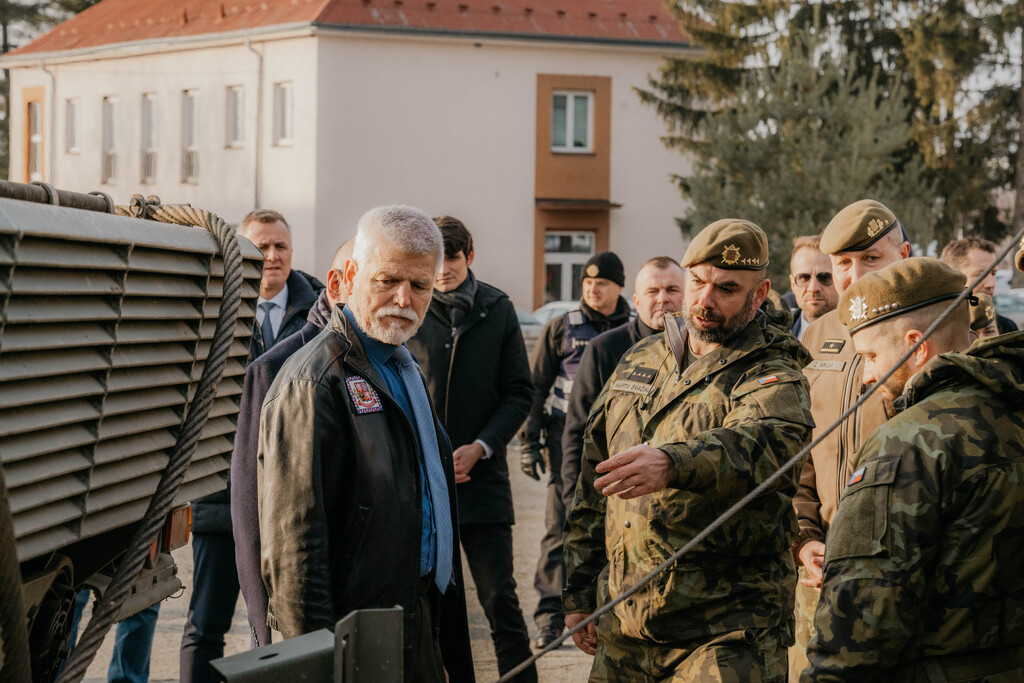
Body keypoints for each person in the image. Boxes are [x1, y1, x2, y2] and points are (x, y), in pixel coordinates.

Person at [563, 219, 813, 682]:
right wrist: (579, 590)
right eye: (697, 282)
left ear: (760, 294)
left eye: (727, 289)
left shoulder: (774, 370)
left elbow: (764, 444)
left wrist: (672, 462)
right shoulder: (641, 358)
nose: (704, 300)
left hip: (725, 632)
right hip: (626, 625)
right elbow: (594, 479)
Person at [258, 206, 474, 682]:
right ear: (349, 278)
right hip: (353, 633)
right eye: (387, 280)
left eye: (420, 286)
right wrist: (316, 666)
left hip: (416, 618)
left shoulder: (403, 369)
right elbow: (294, 551)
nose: (404, 298)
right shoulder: (313, 382)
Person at [804, 257, 1024, 681]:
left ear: (916, 345)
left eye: (871, 356)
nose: (866, 375)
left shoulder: (907, 441)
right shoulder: (1011, 402)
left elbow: (858, 628)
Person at [180, 210, 324, 682]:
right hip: (222, 495)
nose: (272, 256)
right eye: (261, 246)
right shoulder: (212, 309)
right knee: (205, 624)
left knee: (277, 629)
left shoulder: (320, 315)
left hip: (289, 498)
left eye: (281, 246)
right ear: (241, 251)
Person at [405, 216, 536, 681]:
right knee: (433, 608)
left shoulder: (497, 308)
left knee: (500, 601)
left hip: (483, 484)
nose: (443, 271)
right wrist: (429, 457)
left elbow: (520, 392)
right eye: (436, 260)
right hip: (423, 486)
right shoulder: (409, 307)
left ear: (470, 257)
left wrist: (481, 447)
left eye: (453, 259)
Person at [789, 199, 911, 679]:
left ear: (904, 254)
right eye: (842, 263)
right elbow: (799, 453)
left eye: (871, 258)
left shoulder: (936, 329)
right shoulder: (815, 337)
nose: (854, 275)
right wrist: (804, 539)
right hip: (820, 577)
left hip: (900, 577)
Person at [230, 239, 353, 650]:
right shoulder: (273, 369)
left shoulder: (399, 362)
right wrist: (261, 622)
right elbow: (250, 505)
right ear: (338, 285)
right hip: (300, 602)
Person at [519, 251, 632, 649]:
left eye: (601, 283)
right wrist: (529, 442)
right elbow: (535, 387)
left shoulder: (635, 329)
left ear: (620, 287)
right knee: (560, 527)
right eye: (587, 283)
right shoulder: (562, 327)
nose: (593, 289)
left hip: (619, 441)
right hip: (566, 440)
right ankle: (550, 617)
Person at [560, 256, 685, 512]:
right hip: (618, 503)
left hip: (681, 502)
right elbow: (578, 432)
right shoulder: (604, 349)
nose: (662, 298)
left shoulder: (704, 350)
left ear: (688, 297)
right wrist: (576, 504)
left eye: (672, 290)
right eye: (652, 291)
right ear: (636, 301)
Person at [940, 236, 1018, 334]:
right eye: (980, 275)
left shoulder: (1007, 328)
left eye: (993, 273)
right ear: (954, 277)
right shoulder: (937, 331)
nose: (991, 284)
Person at [788, 236, 838, 341]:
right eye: (804, 278)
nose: (813, 288)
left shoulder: (859, 334)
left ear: (839, 279)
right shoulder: (773, 335)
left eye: (824, 277)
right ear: (793, 284)